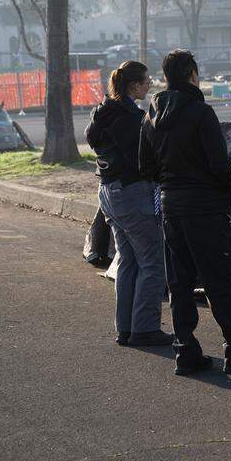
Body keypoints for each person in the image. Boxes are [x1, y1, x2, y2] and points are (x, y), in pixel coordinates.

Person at [138, 49, 231, 376]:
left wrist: (170, 182)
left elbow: (145, 166)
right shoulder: (200, 113)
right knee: (218, 279)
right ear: (192, 75)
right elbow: (219, 164)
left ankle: (185, 350)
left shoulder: (150, 116)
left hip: (171, 204)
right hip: (204, 207)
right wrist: (227, 190)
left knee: (180, 281)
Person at [85, 60, 173, 347]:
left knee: (128, 261)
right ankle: (145, 328)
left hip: (108, 192)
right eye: (147, 81)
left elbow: (94, 142)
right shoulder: (132, 118)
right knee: (153, 262)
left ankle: (126, 327)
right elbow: (144, 159)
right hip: (133, 193)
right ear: (134, 85)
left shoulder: (103, 111)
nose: (150, 84)